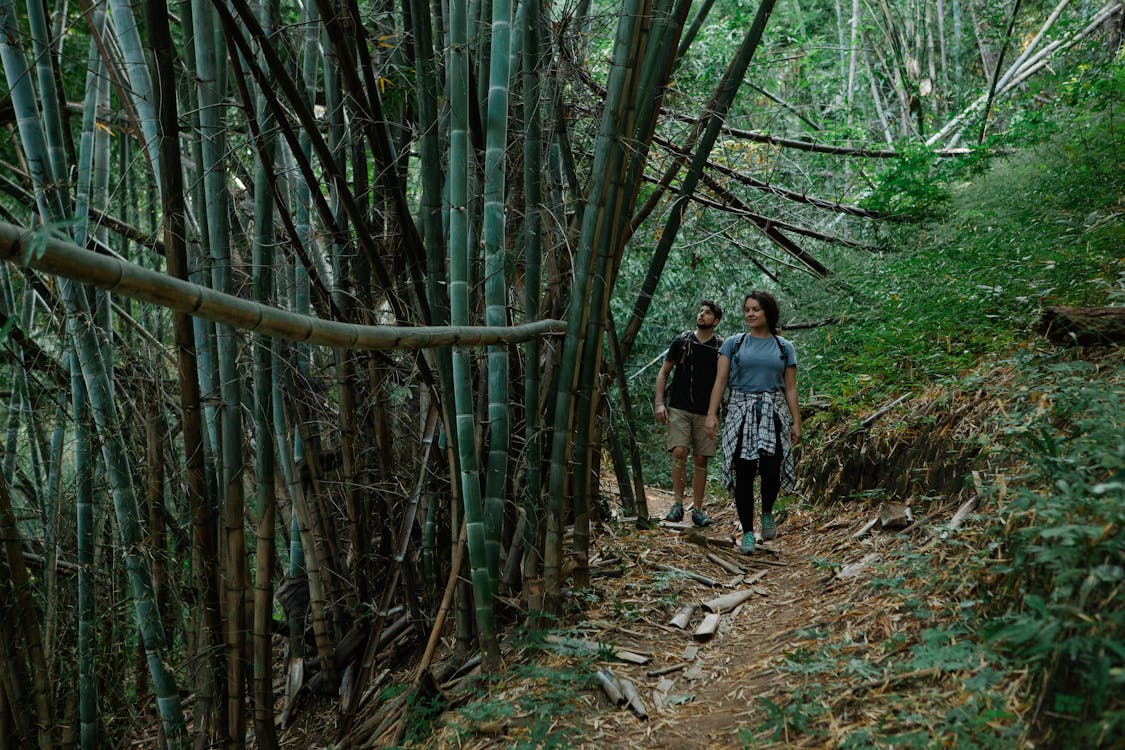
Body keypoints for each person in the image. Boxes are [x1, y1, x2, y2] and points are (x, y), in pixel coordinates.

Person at [704, 291, 801, 554]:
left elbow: (790, 388)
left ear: (768, 312)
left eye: (756, 309)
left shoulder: (784, 347)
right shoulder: (734, 344)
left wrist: (796, 422)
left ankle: (767, 510)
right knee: (743, 472)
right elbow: (720, 381)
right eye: (747, 309)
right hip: (740, 410)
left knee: (771, 471)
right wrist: (712, 415)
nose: (750, 314)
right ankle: (747, 531)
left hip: (773, 410)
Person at [654, 300, 724, 527]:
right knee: (680, 451)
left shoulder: (720, 347)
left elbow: (724, 381)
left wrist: (717, 412)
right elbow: (664, 373)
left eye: (707, 313)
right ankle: (677, 504)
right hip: (679, 406)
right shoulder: (683, 341)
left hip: (706, 410)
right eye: (700, 311)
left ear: (716, 320)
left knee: (702, 457)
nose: (701, 315)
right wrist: (659, 403)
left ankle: (698, 508)